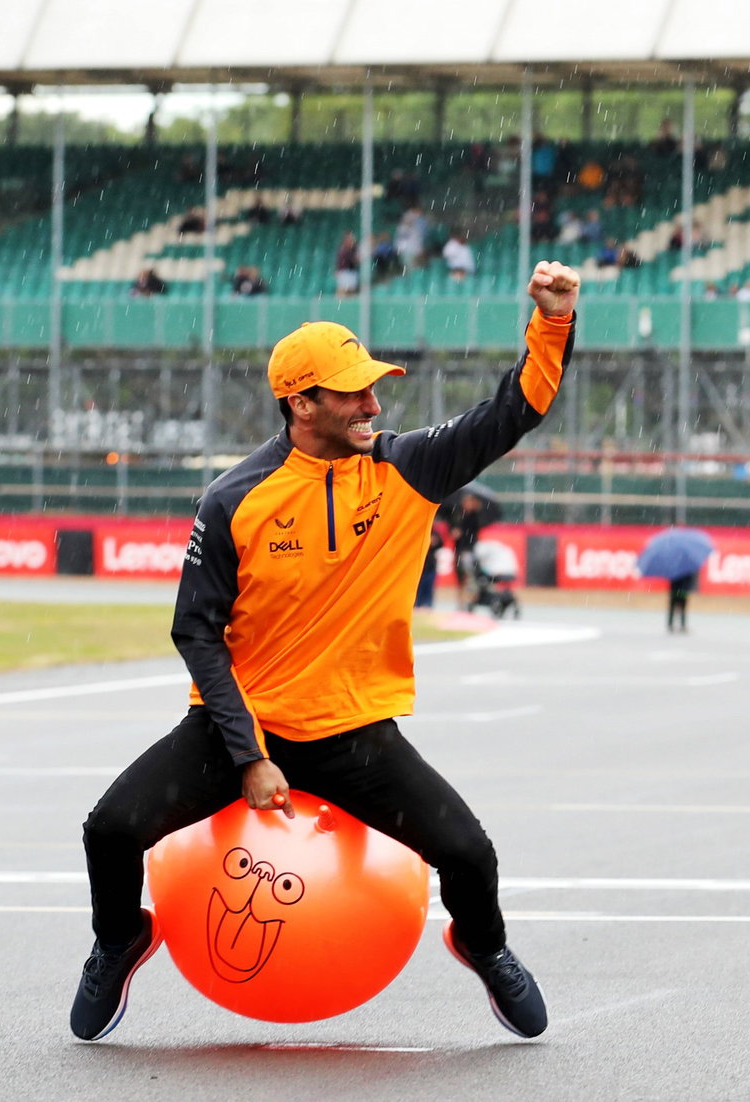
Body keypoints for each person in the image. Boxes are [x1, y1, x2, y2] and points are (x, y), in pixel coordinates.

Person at [70, 260, 582, 1043]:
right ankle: (118, 941)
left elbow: (514, 411)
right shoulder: (234, 498)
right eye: (352, 391)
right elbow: (195, 633)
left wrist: (552, 321)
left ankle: (485, 947)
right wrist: (248, 754)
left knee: (470, 855)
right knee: (109, 829)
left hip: (355, 733)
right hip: (238, 728)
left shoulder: (409, 467)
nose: (374, 403)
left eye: (374, 386)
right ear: (300, 404)